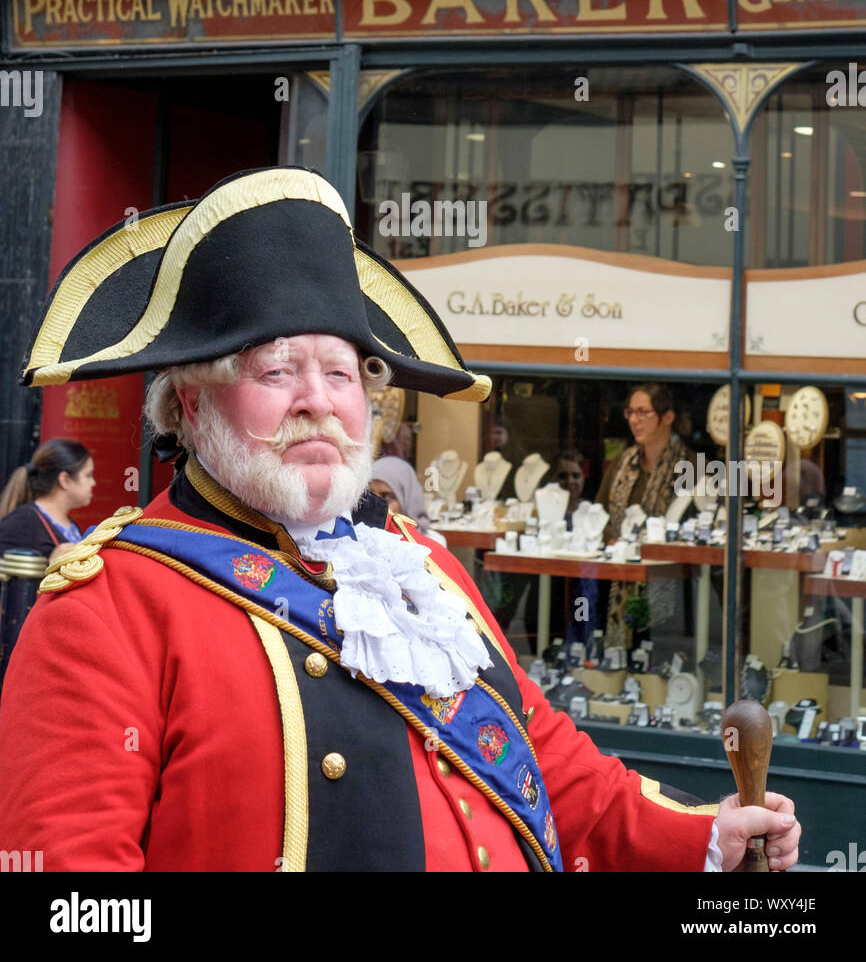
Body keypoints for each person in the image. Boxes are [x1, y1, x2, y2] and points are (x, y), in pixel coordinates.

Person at [0, 168, 800, 872]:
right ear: (187, 404)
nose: (318, 401)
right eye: (276, 369)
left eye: (342, 373)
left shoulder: (417, 565)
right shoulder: (105, 607)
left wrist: (705, 836)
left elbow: (546, 762)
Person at [596, 384, 694, 650]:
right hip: (618, 579)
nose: (634, 420)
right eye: (630, 412)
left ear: (667, 418)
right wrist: (614, 541)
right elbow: (600, 514)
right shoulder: (623, 463)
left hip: (669, 582)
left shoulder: (690, 466)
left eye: (643, 413)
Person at [0, 439, 94, 561]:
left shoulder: (71, 526)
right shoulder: (23, 521)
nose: (93, 483)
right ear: (64, 480)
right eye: (88, 475)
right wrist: (49, 567)